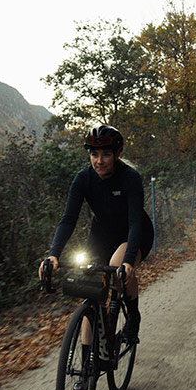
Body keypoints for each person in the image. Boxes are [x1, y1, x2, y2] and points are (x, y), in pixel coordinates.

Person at [44, 124, 154, 372]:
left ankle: (133, 316)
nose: (99, 161)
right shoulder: (83, 178)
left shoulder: (130, 178)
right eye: (94, 154)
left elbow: (135, 222)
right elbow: (68, 219)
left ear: (117, 154)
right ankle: (88, 367)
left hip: (134, 233)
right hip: (102, 234)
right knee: (91, 291)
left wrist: (129, 261)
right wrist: (53, 254)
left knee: (118, 269)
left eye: (105, 154)